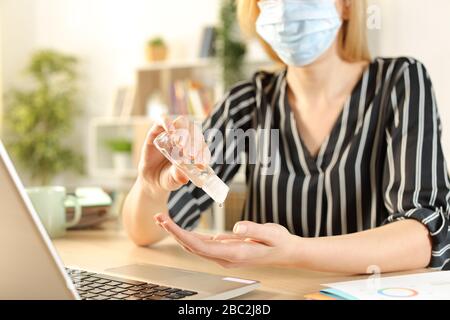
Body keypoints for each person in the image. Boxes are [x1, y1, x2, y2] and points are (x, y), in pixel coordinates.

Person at [122, 0, 450, 273]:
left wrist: (293, 251)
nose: (284, 7)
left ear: (347, 6)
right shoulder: (249, 103)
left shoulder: (401, 83)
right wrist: (152, 186)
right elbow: (147, 231)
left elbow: (423, 236)